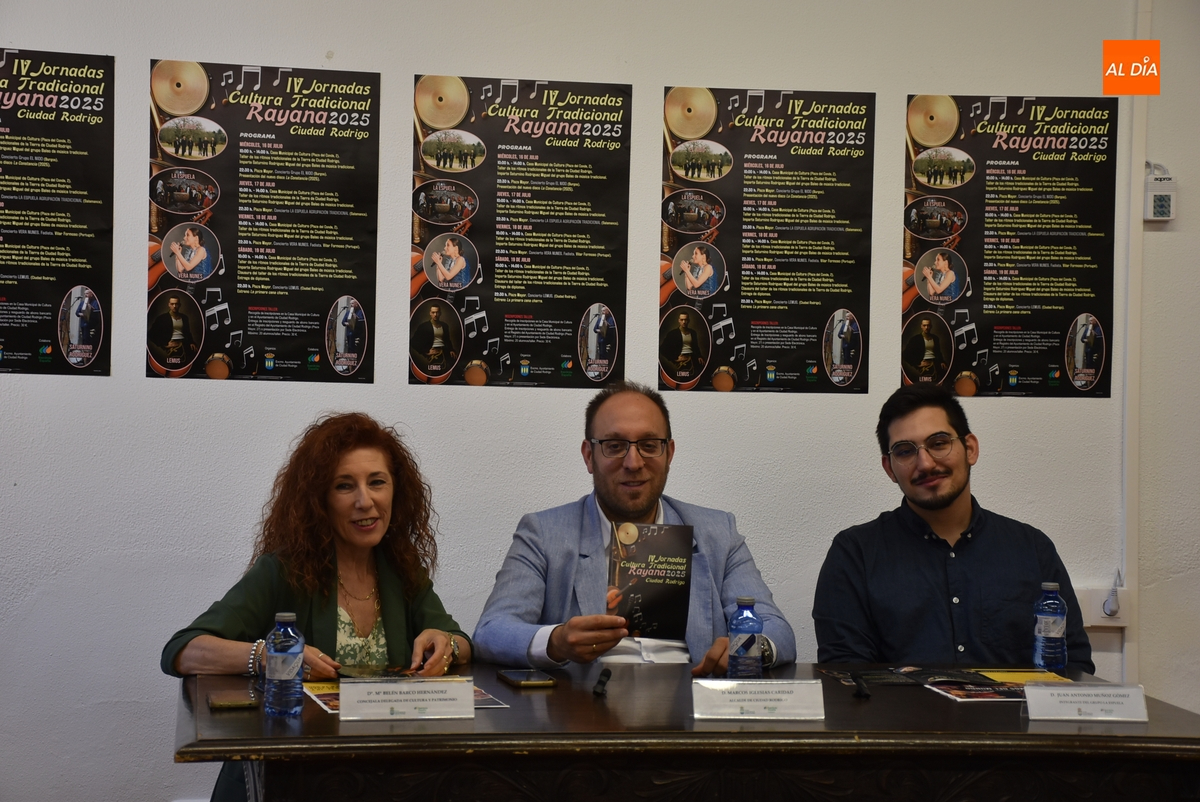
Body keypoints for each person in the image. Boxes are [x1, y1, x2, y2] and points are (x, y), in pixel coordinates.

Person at [162, 413, 471, 802]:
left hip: (385, 777)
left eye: (377, 482)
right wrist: (272, 657)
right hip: (290, 780)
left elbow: (460, 640)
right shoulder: (283, 570)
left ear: (397, 490)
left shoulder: (402, 568)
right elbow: (183, 650)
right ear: (319, 500)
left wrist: (447, 644)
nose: (365, 501)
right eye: (345, 486)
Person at [474, 381, 795, 676]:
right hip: (585, 714)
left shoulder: (718, 532)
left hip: (690, 714)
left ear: (669, 454)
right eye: (614, 446)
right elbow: (491, 631)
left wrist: (749, 649)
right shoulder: (543, 534)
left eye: (649, 445)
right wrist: (555, 641)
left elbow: (777, 631)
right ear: (589, 456)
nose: (633, 462)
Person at [812, 384, 1093, 672]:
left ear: (970, 449)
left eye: (938, 443)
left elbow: (1074, 665)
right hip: (899, 705)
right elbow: (845, 674)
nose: (925, 463)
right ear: (889, 468)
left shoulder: (1031, 549)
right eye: (905, 451)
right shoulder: (854, 554)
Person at [148, 295, 198, 366]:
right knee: (175, 366)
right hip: (173, 347)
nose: (174, 306)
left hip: (185, 344)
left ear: (179, 305)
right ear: (169, 305)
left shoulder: (184, 317)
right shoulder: (162, 318)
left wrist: (191, 342)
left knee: (193, 363)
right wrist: (164, 344)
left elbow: (187, 333)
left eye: (176, 304)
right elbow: (150, 334)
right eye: (172, 304)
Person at [411, 303, 457, 368]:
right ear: (430, 313)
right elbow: (413, 342)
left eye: (437, 312)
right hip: (434, 354)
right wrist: (426, 351)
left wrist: (451, 350)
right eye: (433, 312)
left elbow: (447, 340)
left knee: (453, 368)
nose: (435, 315)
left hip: (445, 352)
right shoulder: (424, 326)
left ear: (440, 313)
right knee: (436, 371)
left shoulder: (445, 326)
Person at [902, 317, 946, 381]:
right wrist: (917, 363)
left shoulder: (935, 338)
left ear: (931, 326)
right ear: (921, 326)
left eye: (928, 325)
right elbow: (905, 354)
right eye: (924, 325)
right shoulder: (915, 339)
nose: (926, 327)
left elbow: (938, 352)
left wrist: (942, 361)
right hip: (925, 365)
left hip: (936, 363)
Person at [660, 311, 703, 375]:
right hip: (682, 361)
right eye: (682, 320)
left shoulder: (693, 333)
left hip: (693, 358)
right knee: (684, 377)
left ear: (688, 321)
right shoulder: (673, 333)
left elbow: (696, 346)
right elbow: (662, 349)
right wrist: (674, 359)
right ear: (679, 320)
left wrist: (699, 356)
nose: (684, 322)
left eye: (686, 320)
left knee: (699, 375)